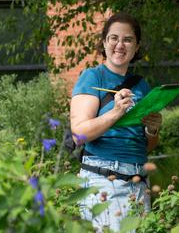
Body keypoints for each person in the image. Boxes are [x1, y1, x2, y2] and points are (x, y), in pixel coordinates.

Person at [70, 12, 162, 232]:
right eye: (114, 38)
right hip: (103, 180)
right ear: (104, 42)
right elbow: (79, 134)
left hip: (139, 182)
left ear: (136, 46)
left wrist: (152, 130)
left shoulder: (141, 86)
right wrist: (115, 113)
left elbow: (146, 146)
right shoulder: (93, 78)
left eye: (128, 39)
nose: (120, 45)